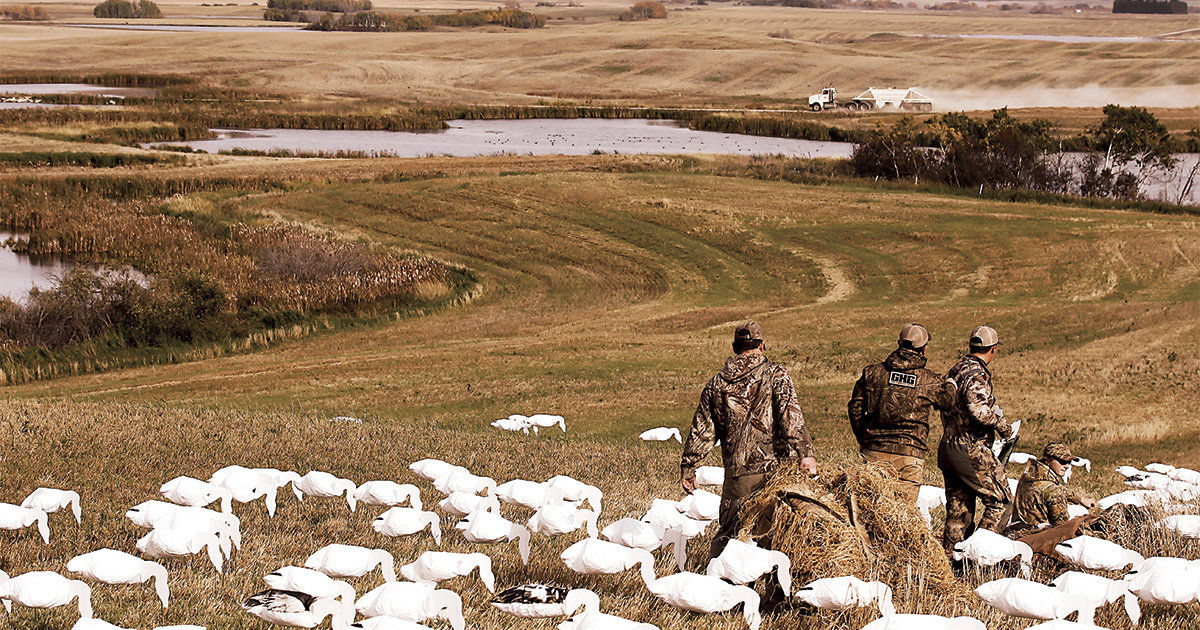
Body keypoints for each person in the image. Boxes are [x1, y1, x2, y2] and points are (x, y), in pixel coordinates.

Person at [680, 321, 818, 563]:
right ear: (762, 346)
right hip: (771, 474)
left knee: (728, 538)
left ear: (735, 347)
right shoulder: (776, 374)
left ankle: (718, 593)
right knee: (772, 541)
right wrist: (805, 453)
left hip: (736, 478)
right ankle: (769, 599)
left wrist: (689, 466)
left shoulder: (716, 383)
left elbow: (702, 430)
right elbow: (791, 416)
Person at [847, 323, 955, 502]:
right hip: (909, 456)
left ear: (899, 343)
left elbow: (855, 408)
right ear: (924, 348)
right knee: (901, 517)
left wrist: (864, 438)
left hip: (874, 451)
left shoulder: (872, 373)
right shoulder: (929, 380)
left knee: (870, 509)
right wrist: (950, 383)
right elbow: (948, 402)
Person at [938, 324, 1013, 555]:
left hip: (948, 447)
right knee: (1002, 502)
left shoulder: (954, 371)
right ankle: (978, 555)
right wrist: (1003, 427)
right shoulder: (977, 375)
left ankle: (951, 563)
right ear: (992, 350)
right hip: (970, 449)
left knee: (958, 512)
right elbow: (978, 411)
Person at [1007, 442, 1097, 534]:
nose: (1067, 466)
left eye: (1069, 462)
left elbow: (1054, 488)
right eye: (1062, 462)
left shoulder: (1029, 476)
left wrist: (1080, 499)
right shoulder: (1054, 492)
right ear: (1048, 461)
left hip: (1016, 531)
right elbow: (1062, 531)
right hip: (1038, 539)